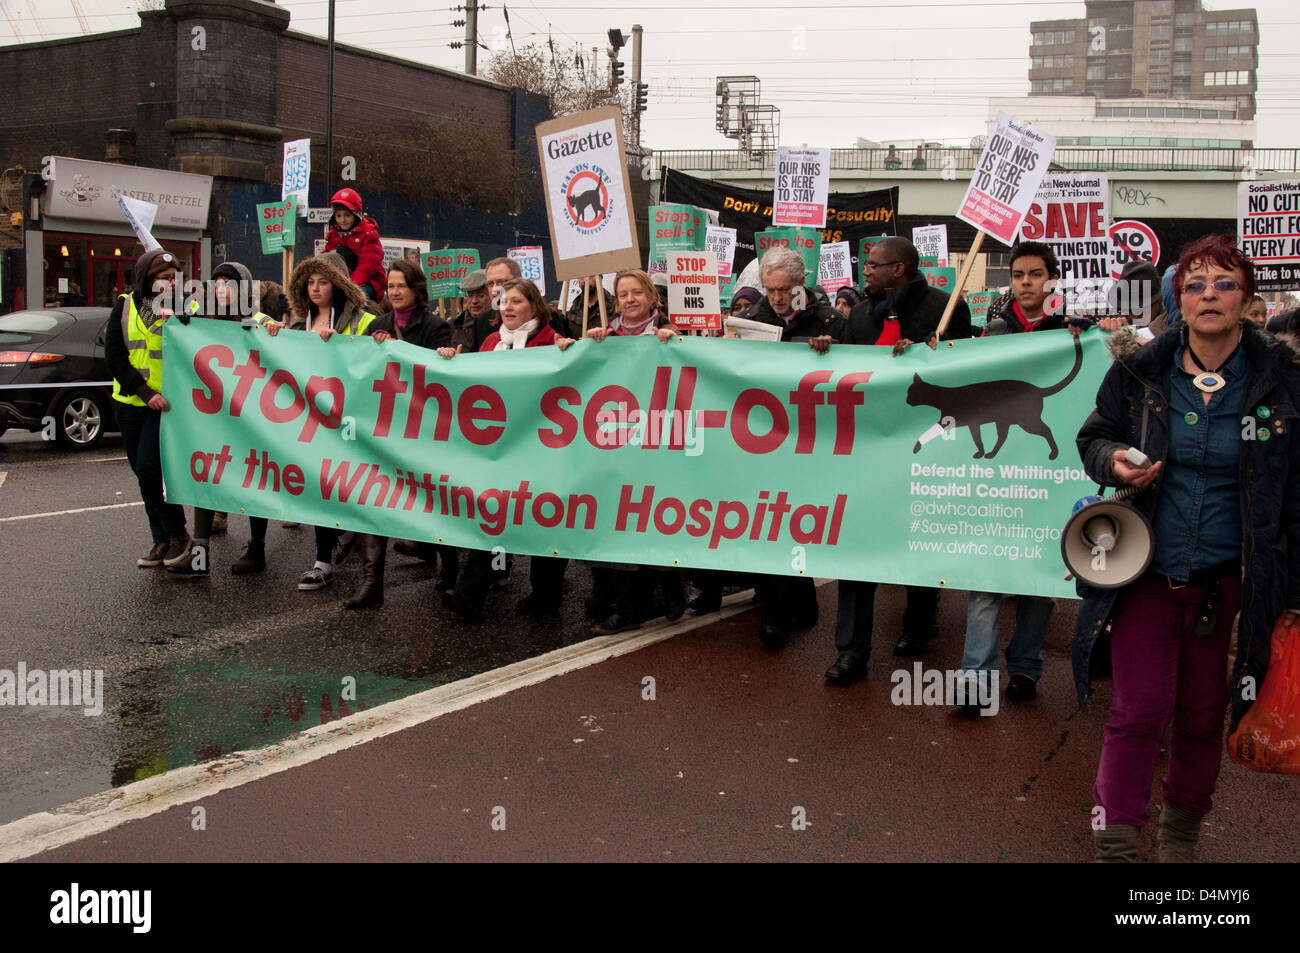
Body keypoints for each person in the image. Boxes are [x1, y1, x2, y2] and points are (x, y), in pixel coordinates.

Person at [1073, 234, 1300, 862]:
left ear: (1247, 299)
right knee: (1138, 711)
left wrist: (1294, 592)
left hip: (1231, 582)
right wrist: (1113, 462)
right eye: (1195, 283)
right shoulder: (1138, 372)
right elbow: (1093, 438)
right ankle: (1118, 844)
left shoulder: (1283, 383)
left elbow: (1297, 495)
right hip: (1146, 572)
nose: (1208, 295)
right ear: (1178, 298)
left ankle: (1179, 842)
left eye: (1224, 283)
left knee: (1202, 716)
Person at [822, 237, 971, 685]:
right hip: (868, 446)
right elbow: (847, 371)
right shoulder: (863, 315)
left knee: (915, 535)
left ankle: (920, 620)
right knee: (857, 545)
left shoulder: (946, 308)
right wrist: (827, 348)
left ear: (901, 268)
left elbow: (963, 374)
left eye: (873, 264)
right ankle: (852, 650)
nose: (864, 270)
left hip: (921, 444)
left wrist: (931, 354)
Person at [953, 241, 1091, 706]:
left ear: (1052, 279)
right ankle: (975, 678)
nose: (1026, 283)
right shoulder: (993, 330)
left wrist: (1089, 335)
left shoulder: (1073, 329)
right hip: (997, 479)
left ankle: (1026, 668)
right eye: (1018, 275)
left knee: (1038, 581)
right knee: (986, 580)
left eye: (1035, 274)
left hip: (1046, 482)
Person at [558, 269, 683, 634]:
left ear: (651, 297)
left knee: (656, 519)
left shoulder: (670, 333)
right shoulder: (605, 336)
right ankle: (630, 605)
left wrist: (676, 344)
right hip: (615, 444)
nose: (629, 299)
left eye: (636, 293)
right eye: (622, 294)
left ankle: (670, 585)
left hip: (658, 442)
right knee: (624, 522)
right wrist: (577, 348)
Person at [736, 247, 845, 648]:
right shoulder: (749, 320)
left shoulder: (831, 321)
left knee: (796, 522)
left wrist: (833, 350)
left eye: (784, 289)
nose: (777, 297)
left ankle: (800, 599)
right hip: (764, 437)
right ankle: (775, 614)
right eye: (770, 290)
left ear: (801, 284)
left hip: (809, 438)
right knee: (769, 521)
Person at [437, 278, 564, 621]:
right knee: (493, 517)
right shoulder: (492, 342)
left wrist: (575, 350)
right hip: (500, 449)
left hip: (542, 450)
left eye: (516, 301)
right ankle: (469, 596)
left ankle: (546, 595)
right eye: (504, 301)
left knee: (545, 522)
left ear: (534, 306)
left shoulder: (553, 342)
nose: (507, 307)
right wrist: (450, 361)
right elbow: (472, 388)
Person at [339, 259, 455, 609]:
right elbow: (355, 366)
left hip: (423, 429)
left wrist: (411, 352)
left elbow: (438, 376)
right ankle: (372, 582)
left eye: (401, 285)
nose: (394, 291)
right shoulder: (378, 324)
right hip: (383, 426)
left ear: (417, 289)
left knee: (433, 501)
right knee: (372, 499)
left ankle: (449, 570)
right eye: (390, 286)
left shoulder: (436, 327)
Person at [269, 253, 378, 592]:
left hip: (350, 419)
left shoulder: (362, 320)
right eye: (310, 282)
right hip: (312, 420)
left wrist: (346, 345)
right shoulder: (297, 322)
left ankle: (364, 553)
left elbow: (375, 361)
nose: (315, 289)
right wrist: (272, 334)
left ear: (339, 284)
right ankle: (322, 561)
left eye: (323, 282)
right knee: (320, 490)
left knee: (354, 490)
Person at [167, 260, 275, 579]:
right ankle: (199, 553)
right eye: (218, 283)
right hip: (214, 417)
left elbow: (280, 354)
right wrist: (181, 322)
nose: (222, 288)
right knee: (207, 477)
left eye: (229, 283)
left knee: (255, 479)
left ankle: (257, 548)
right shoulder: (202, 321)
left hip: (251, 417)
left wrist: (275, 331)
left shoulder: (259, 320)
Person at [105, 248, 191, 568]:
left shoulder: (187, 308)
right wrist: (142, 391)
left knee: (151, 469)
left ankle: (178, 534)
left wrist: (180, 319)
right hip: (130, 403)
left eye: (173, 278)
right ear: (146, 280)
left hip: (164, 406)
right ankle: (161, 540)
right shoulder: (125, 306)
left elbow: (218, 332)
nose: (169, 283)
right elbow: (114, 355)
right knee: (142, 474)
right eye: (162, 278)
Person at [324, 188, 386, 301]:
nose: (342, 220)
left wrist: (350, 286)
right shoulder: (334, 234)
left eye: (347, 215)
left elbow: (368, 264)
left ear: (356, 215)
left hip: (368, 282)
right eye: (338, 216)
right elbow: (326, 258)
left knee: (353, 300)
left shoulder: (368, 233)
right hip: (342, 281)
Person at [447, 268, 496, 354]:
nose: (474, 301)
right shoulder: (452, 325)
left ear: (492, 296)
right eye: (470, 295)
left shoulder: (500, 325)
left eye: (481, 295)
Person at [565, 274, 617, 338]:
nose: (584, 280)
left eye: (590, 276)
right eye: (581, 276)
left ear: (599, 277)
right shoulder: (573, 310)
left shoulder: (614, 306)